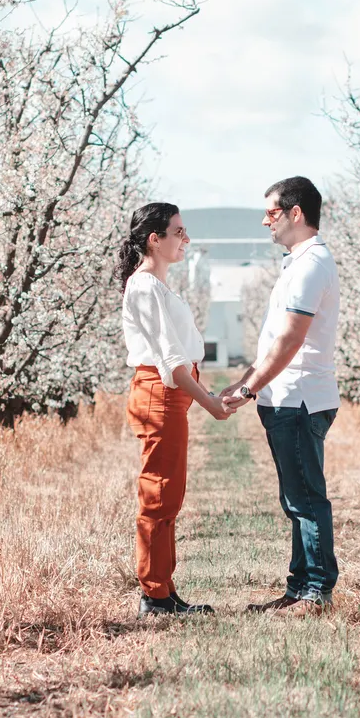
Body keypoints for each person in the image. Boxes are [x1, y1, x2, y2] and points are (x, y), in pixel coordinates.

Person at [222, 176, 340, 610]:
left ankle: (316, 592)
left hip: (299, 397)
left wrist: (249, 388)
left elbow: (291, 339)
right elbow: (275, 339)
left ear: (296, 213)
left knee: (306, 498)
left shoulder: (311, 265)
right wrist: (246, 379)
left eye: (271, 212)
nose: (264, 221)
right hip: (286, 397)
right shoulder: (297, 263)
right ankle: (298, 589)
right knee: (295, 498)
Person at [120, 200, 228, 619]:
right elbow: (170, 361)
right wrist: (209, 402)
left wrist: (206, 395)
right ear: (155, 239)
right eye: (179, 231)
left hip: (169, 395)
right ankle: (154, 595)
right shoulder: (145, 287)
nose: (186, 239)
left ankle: (164, 590)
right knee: (160, 493)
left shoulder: (156, 286)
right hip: (160, 394)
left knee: (170, 494)